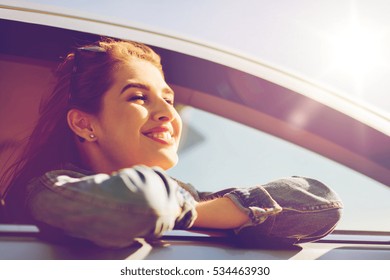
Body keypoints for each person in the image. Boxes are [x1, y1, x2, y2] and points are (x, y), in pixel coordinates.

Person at [0, 38, 343, 248]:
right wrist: (220, 214)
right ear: (84, 123)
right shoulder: (51, 189)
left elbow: (320, 203)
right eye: (138, 97)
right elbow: (141, 204)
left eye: (168, 99)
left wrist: (191, 211)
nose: (167, 113)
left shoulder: (184, 199)